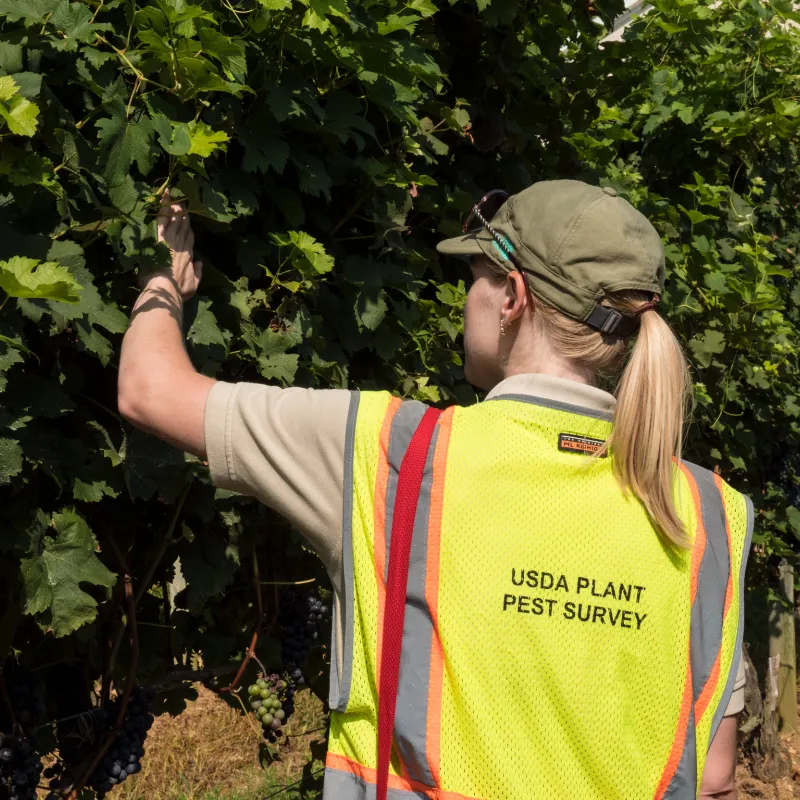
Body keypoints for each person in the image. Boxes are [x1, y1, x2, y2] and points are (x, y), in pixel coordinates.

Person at [118, 179, 752, 800]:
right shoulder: (711, 513)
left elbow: (149, 389)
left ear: (513, 297)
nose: (466, 296)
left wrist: (164, 280)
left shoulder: (393, 454)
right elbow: (715, 771)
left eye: (475, 274)